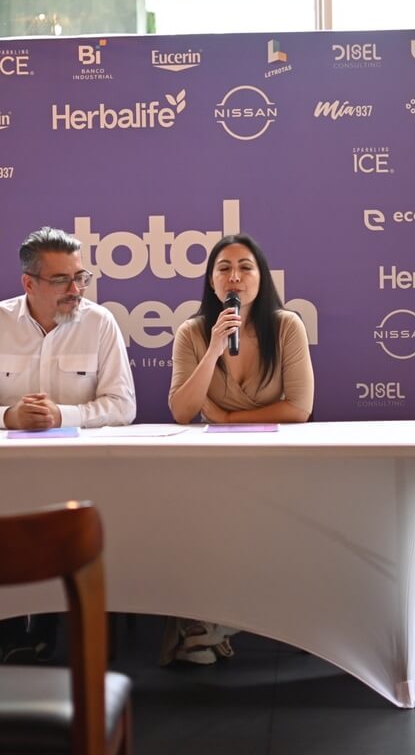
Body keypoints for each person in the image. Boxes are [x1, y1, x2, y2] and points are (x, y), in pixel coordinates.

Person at [0, 226, 136, 662]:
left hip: (84, 479)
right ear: (28, 284)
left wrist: (62, 416)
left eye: (80, 277)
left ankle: (56, 622)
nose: (76, 290)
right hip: (5, 478)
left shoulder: (99, 322)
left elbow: (122, 405)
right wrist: (8, 417)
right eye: (62, 280)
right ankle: (14, 631)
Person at [162, 233, 314, 664]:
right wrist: (213, 348)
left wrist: (228, 419)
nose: (235, 277)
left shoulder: (287, 326)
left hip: (278, 461)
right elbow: (182, 411)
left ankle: (223, 623)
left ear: (261, 279)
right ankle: (210, 621)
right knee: (202, 524)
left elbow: (299, 409)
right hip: (217, 466)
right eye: (224, 269)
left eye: (246, 267)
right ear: (212, 282)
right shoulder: (193, 333)